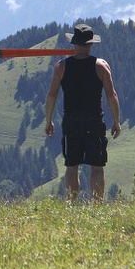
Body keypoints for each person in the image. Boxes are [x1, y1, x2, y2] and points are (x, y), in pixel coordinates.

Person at [45, 23, 121, 201]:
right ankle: (97, 205)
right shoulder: (100, 66)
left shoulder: (61, 66)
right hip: (94, 120)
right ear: (90, 44)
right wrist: (116, 121)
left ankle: (72, 204)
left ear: (74, 43)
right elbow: (112, 95)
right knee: (96, 166)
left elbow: (52, 95)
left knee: (71, 166)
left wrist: (48, 120)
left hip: (71, 121)